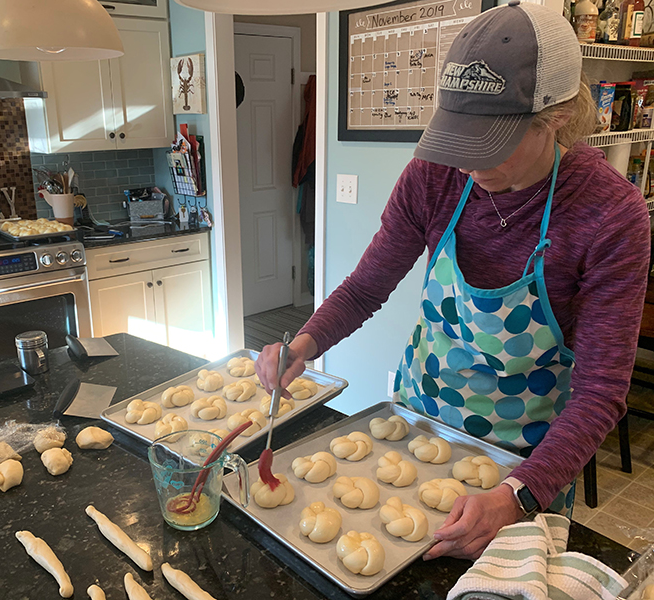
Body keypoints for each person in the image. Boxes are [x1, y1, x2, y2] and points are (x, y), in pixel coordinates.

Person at [255, 1, 651, 561]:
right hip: (416, 425)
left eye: (488, 143)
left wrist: (518, 494)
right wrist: (305, 343)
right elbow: (368, 286)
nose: (467, 163)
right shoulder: (432, 177)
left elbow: (602, 390)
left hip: (525, 463)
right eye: (459, 138)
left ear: (556, 118)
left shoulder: (610, 215)